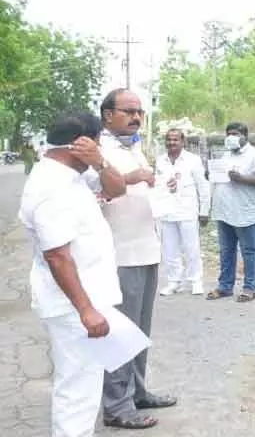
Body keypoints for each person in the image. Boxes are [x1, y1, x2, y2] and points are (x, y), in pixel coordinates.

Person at [20, 111, 126, 437]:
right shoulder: (52, 186)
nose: (100, 147)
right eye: (98, 141)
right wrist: (86, 311)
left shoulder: (71, 175)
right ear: (81, 144)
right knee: (77, 392)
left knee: (86, 384)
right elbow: (57, 255)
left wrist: (100, 162)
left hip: (87, 300)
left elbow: (118, 189)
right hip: (75, 308)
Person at [94, 88, 176, 429]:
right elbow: (96, 192)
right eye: (129, 111)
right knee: (121, 332)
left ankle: (137, 392)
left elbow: (142, 189)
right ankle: (116, 405)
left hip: (146, 248)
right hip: (119, 254)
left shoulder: (136, 148)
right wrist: (131, 178)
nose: (136, 117)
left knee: (140, 330)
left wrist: (161, 185)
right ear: (107, 114)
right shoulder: (96, 150)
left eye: (140, 111)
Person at [206, 122, 255, 303]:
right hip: (224, 211)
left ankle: (250, 288)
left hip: (245, 212)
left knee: (249, 250)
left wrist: (242, 178)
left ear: (245, 136)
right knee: (226, 250)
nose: (231, 137)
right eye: (229, 134)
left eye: (235, 134)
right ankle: (225, 286)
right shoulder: (224, 155)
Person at [155, 128, 210, 296]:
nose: (171, 143)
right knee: (169, 248)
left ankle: (195, 280)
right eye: (169, 140)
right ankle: (173, 281)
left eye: (175, 140)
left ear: (183, 141)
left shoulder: (193, 160)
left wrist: (204, 211)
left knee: (191, 247)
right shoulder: (160, 160)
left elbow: (203, 186)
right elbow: (157, 186)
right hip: (166, 211)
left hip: (187, 210)